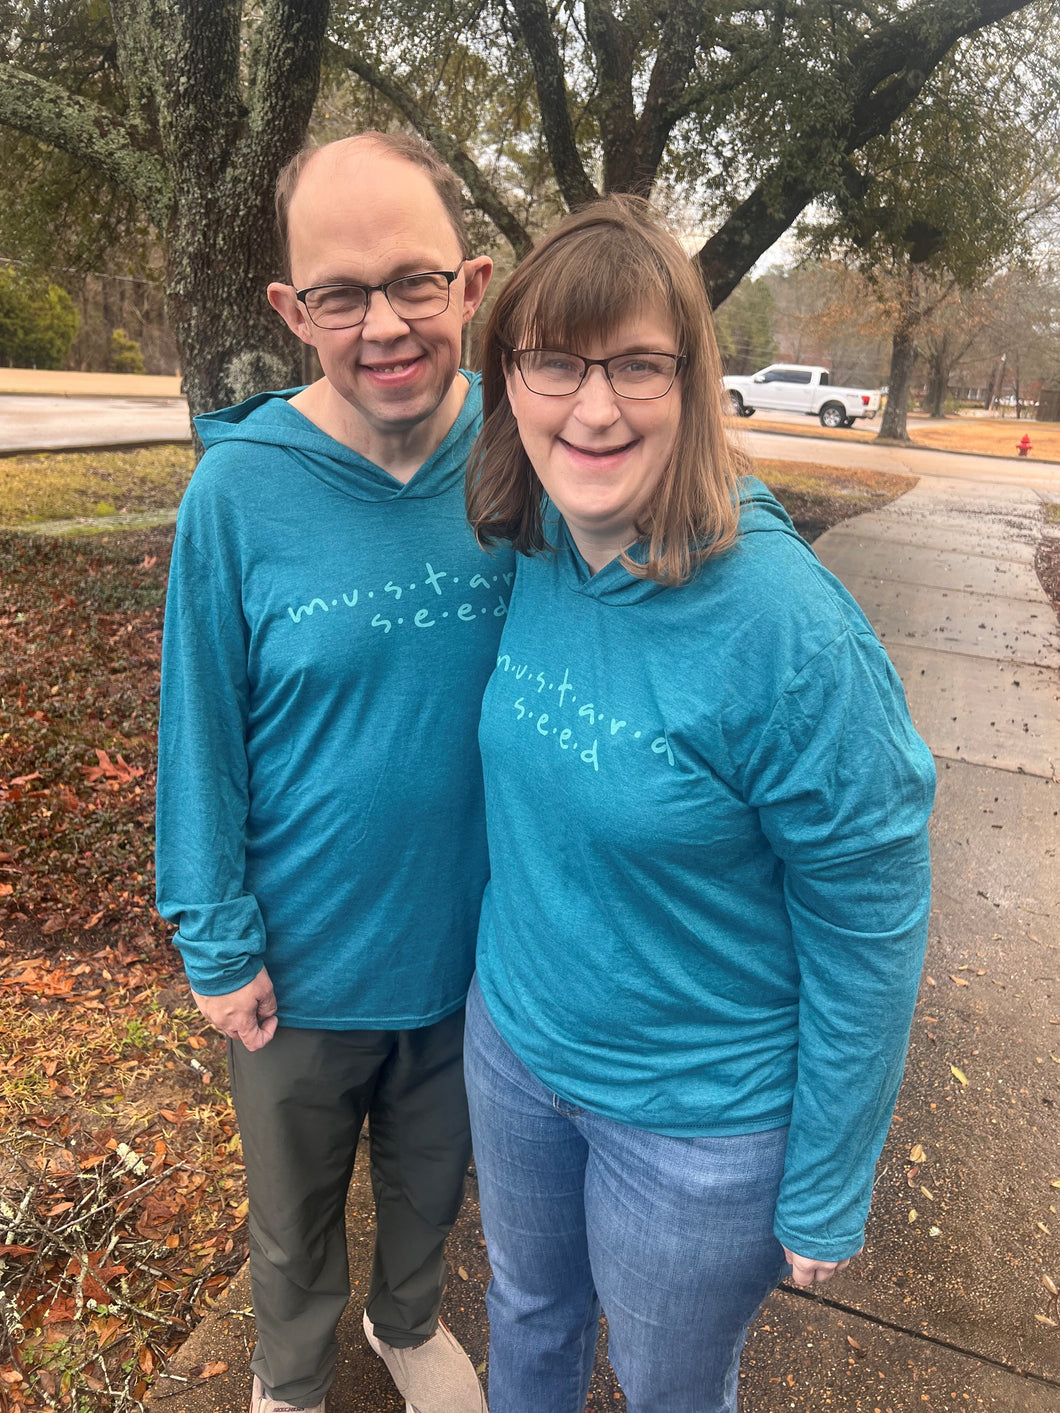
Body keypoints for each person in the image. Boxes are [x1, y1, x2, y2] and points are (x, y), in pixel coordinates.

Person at [463, 195, 936, 1413]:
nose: (595, 404)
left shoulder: (786, 631)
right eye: (555, 361)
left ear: (692, 380)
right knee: (524, 1315)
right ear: (510, 379)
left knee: (670, 1388)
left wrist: (829, 1176)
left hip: (698, 1126)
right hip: (515, 1049)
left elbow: (870, 920)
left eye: (636, 364)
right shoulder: (539, 544)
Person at [156, 132, 509, 1413]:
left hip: (479, 954)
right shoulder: (238, 493)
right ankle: (292, 1372)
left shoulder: (529, 459)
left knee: (434, 1184)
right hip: (296, 967)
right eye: (340, 295)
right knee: (291, 1210)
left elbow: (682, 489)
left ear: (470, 286)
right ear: (290, 311)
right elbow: (197, 728)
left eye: (414, 282)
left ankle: (405, 1323)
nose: (385, 326)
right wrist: (214, 936)